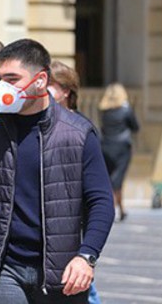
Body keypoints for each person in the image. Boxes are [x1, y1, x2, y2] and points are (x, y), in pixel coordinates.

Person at [0, 38, 115, 303]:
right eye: (1, 78)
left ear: (40, 80)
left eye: (13, 79)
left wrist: (86, 256)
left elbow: (101, 201)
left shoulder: (78, 134)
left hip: (61, 275)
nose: (4, 87)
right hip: (3, 271)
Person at [48, 60, 102, 304]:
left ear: (65, 91)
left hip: (74, 221)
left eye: (50, 85)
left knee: (80, 284)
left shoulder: (81, 127)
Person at [99, 83, 139, 222]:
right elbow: (135, 127)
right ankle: (112, 210)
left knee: (113, 179)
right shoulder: (126, 110)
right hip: (122, 147)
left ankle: (121, 209)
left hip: (106, 147)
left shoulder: (104, 111)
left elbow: (103, 129)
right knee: (117, 179)